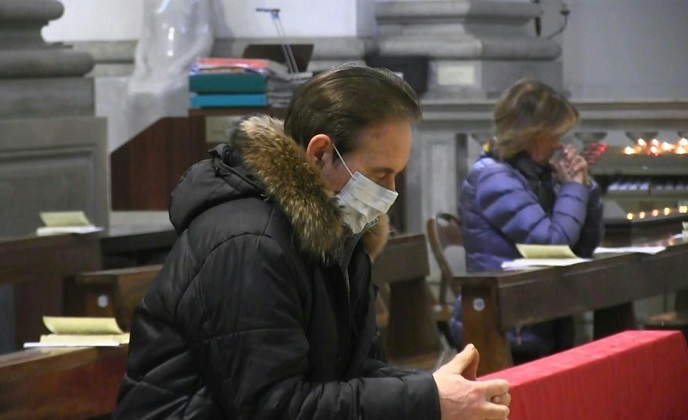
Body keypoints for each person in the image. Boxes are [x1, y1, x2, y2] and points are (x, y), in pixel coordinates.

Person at [114, 64, 510, 419]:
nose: (391, 192)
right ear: (320, 153)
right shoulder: (249, 243)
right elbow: (273, 406)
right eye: (380, 173)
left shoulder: (340, 234)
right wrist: (425, 399)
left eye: (397, 175)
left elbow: (355, 372)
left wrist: (435, 391)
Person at [451, 78, 604, 364]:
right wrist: (574, 189)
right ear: (531, 133)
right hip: (504, 324)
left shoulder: (539, 174)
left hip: (537, 314)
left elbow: (581, 248)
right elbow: (553, 242)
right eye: (555, 134)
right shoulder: (494, 177)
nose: (561, 144)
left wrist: (585, 188)